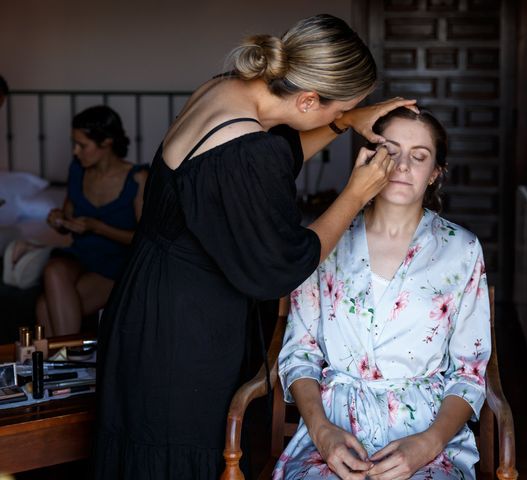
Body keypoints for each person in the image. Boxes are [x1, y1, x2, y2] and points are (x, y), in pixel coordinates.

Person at [93, 14, 416, 480]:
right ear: (307, 98)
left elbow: (261, 165)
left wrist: (343, 119)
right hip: (183, 329)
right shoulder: (247, 149)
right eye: (334, 107)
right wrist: (355, 194)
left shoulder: (226, 90)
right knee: (176, 453)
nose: (336, 116)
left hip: (145, 301)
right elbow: (283, 265)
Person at [274, 107, 491, 480]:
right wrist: (323, 433)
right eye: (390, 151)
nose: (403, 165)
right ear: (369, 157)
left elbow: (469, 373)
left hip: (425, 431)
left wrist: (428, 443)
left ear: (436, 172)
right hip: (333, 427)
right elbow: (299, 353)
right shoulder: (326, 239)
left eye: (419, 156)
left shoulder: (462, 250)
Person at [34, 105, 147, 336]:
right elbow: (68, 217)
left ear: (106, 142)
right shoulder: (78, 169)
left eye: (82, 145)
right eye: (74, 144)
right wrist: (58, 220)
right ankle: (68, 361)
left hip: (117, 263)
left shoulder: (138, 178)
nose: (76, 151)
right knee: (54, 269)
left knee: (44, 307)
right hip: (81, 255)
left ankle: (62, 364)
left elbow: (146, 238)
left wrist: (97, 227)